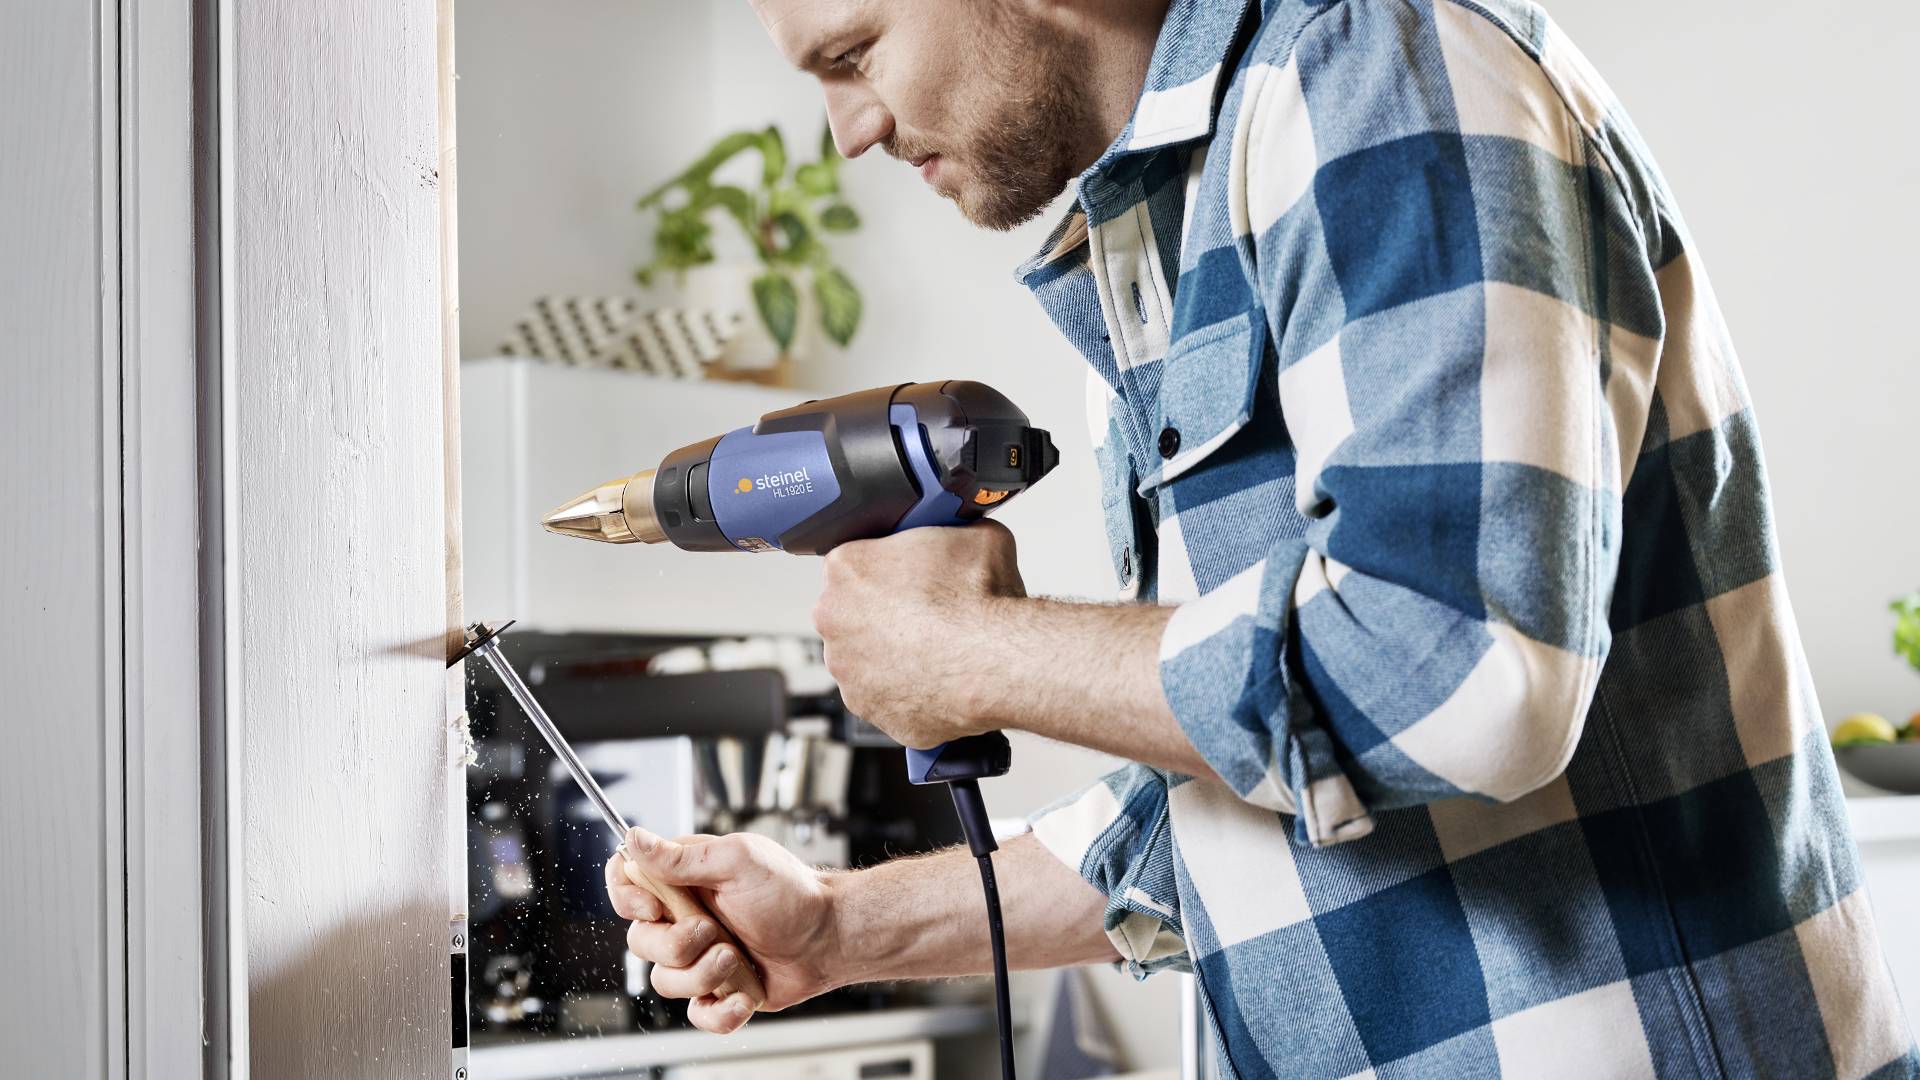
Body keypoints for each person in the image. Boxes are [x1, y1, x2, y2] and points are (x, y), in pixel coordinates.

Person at [607, 0, 1920, 1074]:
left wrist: (977, 654)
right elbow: (1268, 794)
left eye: (854, 53)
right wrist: (839, 930)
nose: (849, 129)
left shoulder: (1372, 62)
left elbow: (1462, 674)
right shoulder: (1169, 242)